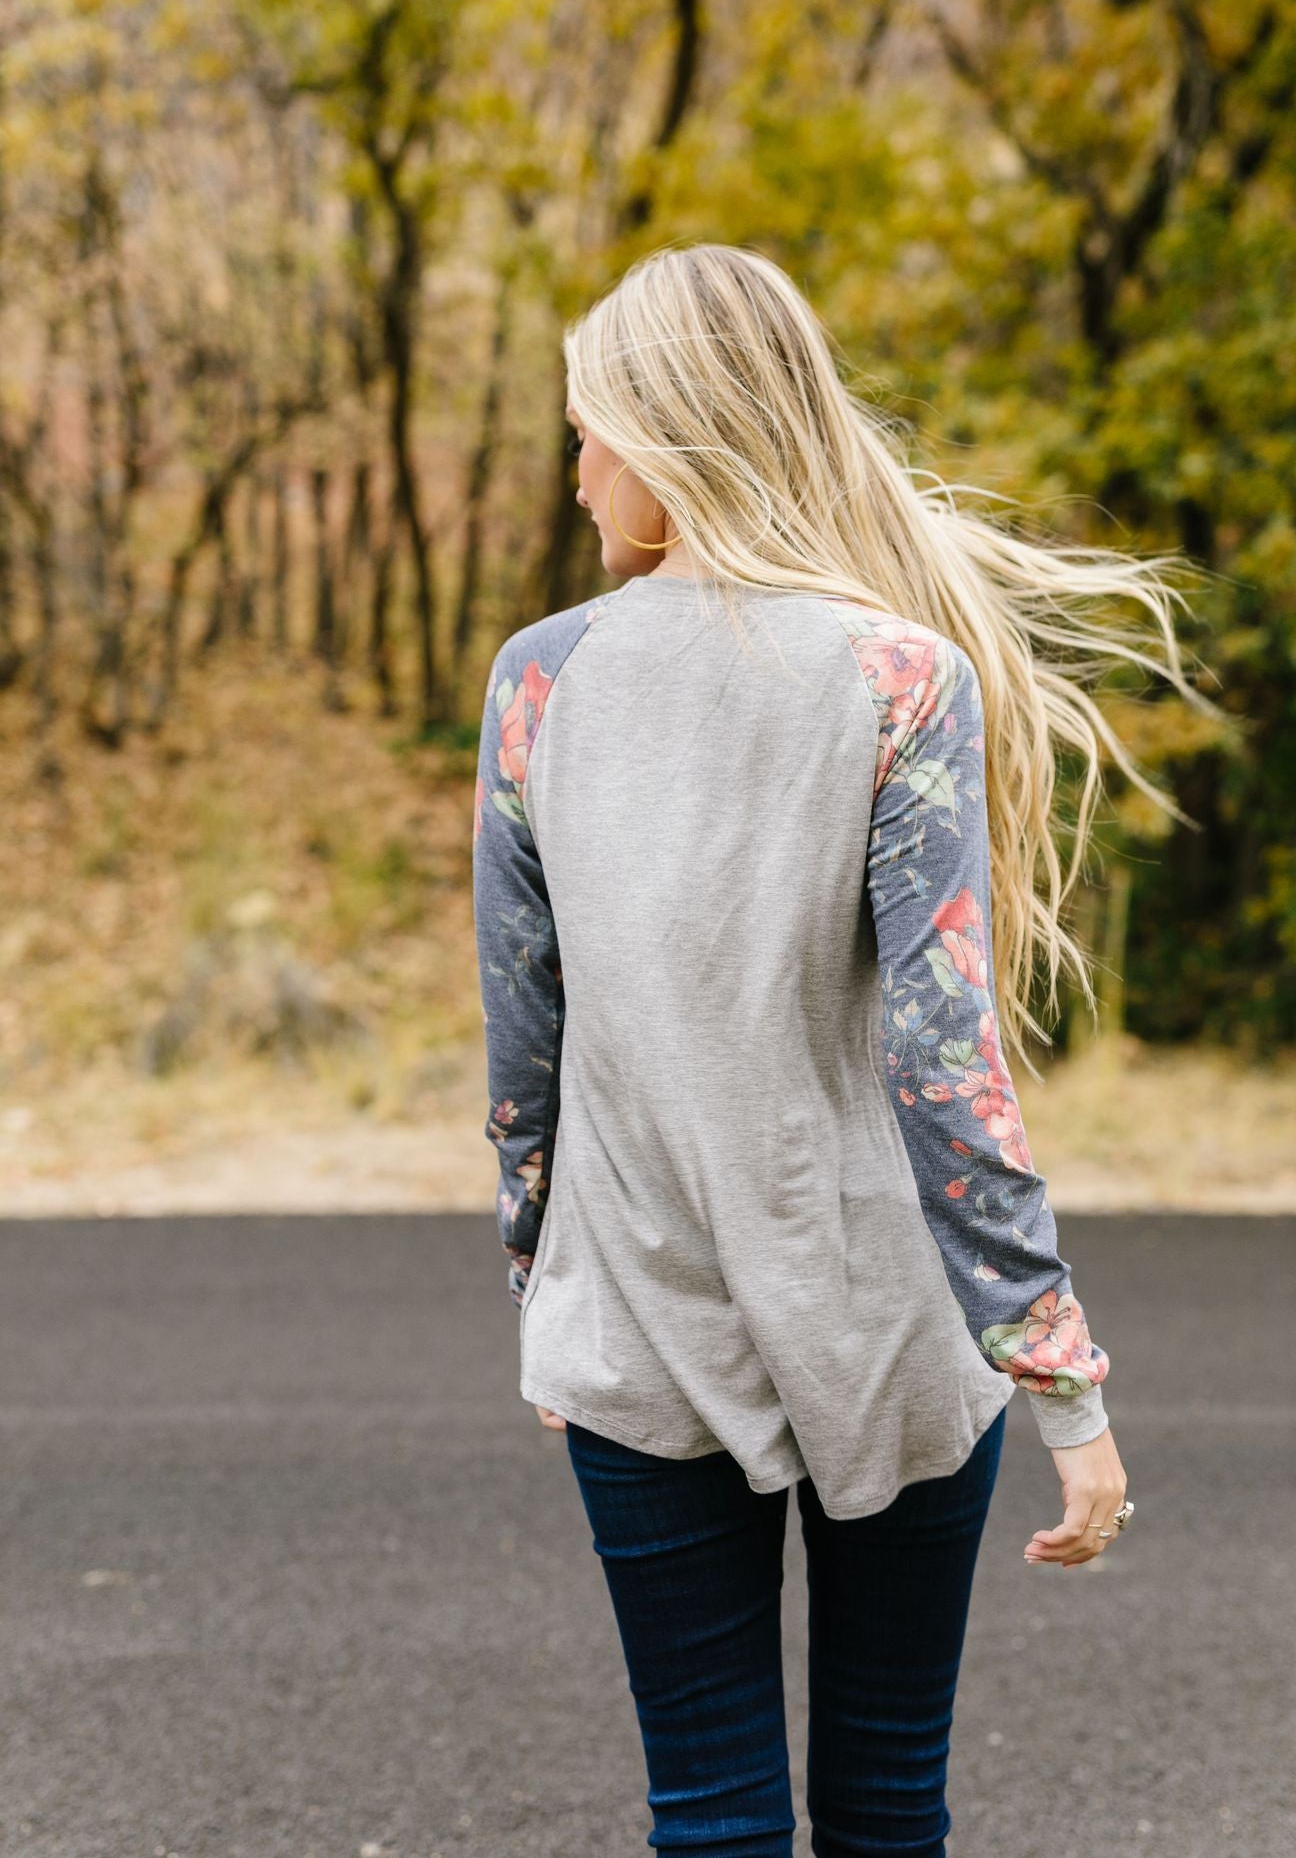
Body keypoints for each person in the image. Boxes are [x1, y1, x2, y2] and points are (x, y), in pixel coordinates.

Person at [472, 242, 1202, 1855]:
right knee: (887, 1811)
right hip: (892, 1329)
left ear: (663, 439)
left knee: (709, 1817)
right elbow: (951, 1070)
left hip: (641, 1325)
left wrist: (546, 1287)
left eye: (589, 429)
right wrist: (1061, 1377)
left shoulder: (541, 684)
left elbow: (524, 1044)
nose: (578, 470)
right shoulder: (899, 675)